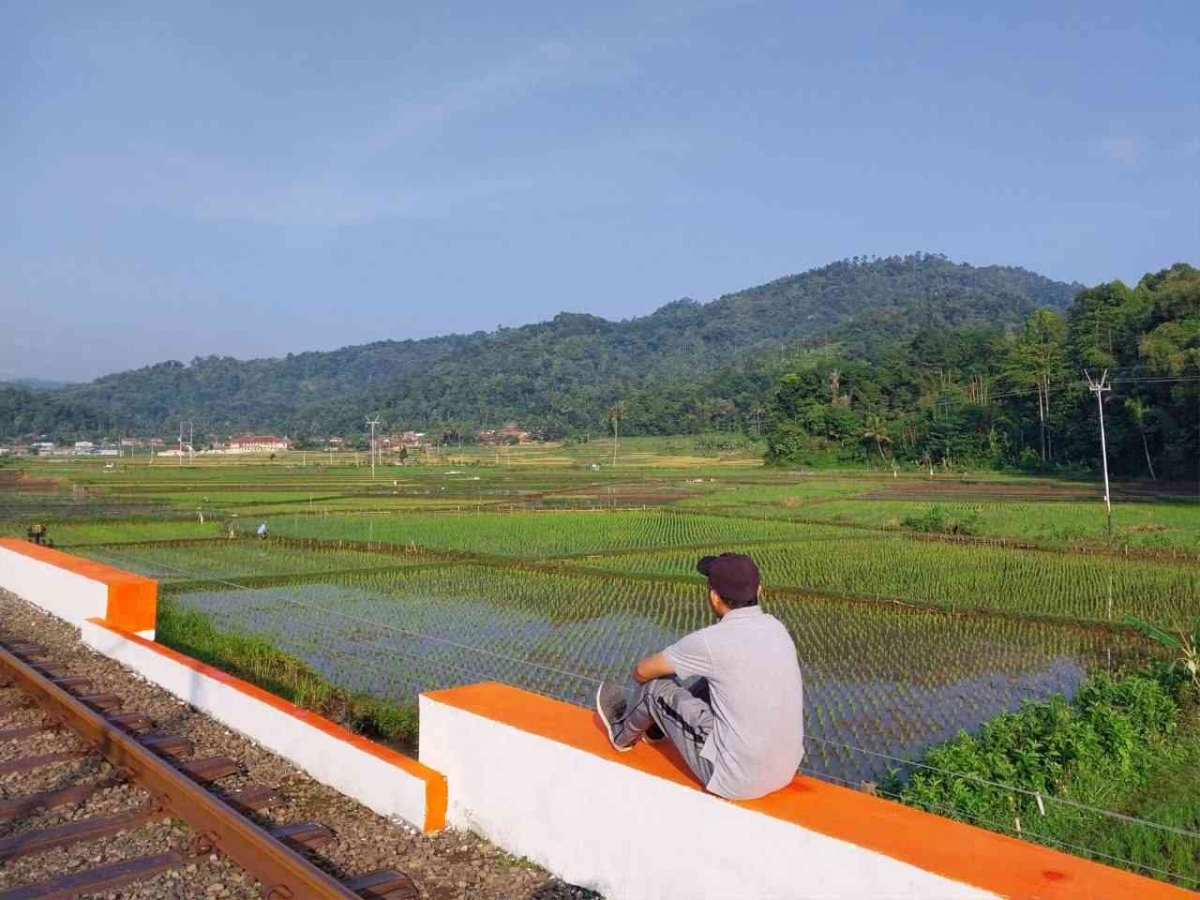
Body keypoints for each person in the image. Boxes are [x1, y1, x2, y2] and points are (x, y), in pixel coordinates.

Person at [595, 553, 804, 801]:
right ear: (759, 591)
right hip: (785, 770)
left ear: (714, 597)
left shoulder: (712, 640)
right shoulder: (777, 628)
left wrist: (665, 676)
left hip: (736, 779)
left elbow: (641, 671)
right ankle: (657, 728)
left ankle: (621, 734)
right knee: (717, 680)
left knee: (654, 688)